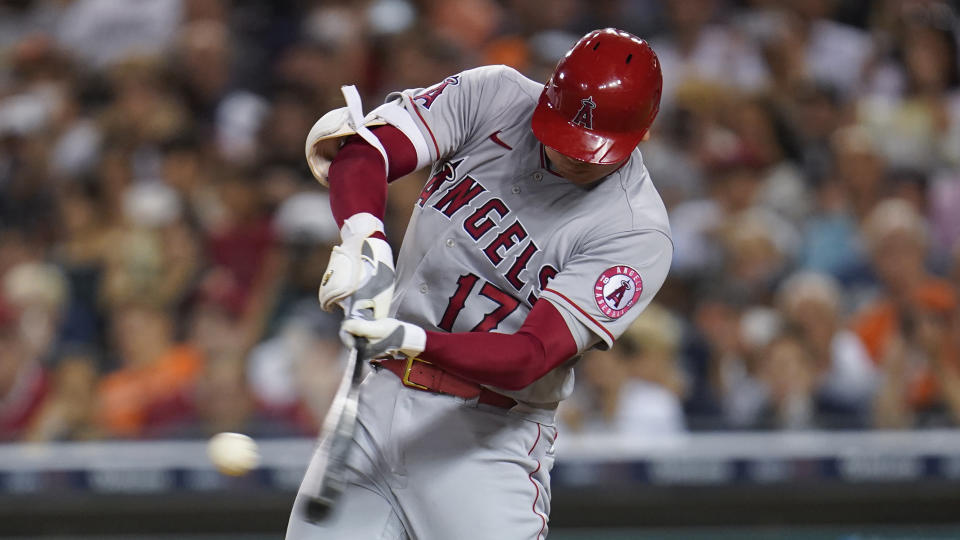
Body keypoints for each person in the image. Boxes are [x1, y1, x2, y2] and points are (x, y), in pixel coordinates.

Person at [286, 28, 673, 540]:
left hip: (485, 439)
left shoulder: (635, 229)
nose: (567, 153)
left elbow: (531, 355)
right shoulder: (495, 95)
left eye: (587, 149)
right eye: (560, 131)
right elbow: (364, 151)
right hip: (375, 401)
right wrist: (365, 235)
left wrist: (412, 340)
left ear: (643, 133)